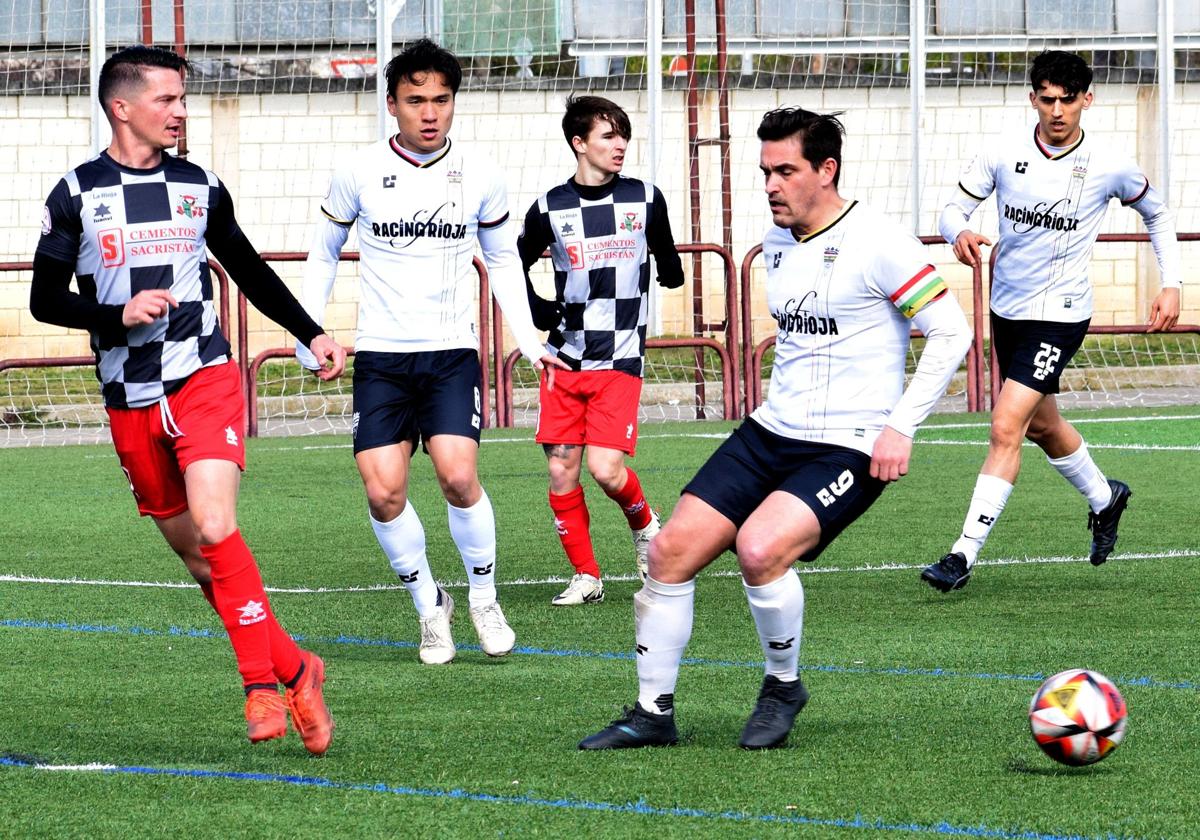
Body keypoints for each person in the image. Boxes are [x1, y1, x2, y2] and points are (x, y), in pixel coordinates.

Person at [578, 107, 972, 750]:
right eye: (765, 171)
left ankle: (782, 684)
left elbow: (953, 333)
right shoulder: (780, 239)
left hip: (851, 443)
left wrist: (901, 426)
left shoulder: (879, 241)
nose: (771, 184)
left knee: (760, 549)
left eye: (785, 170)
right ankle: (653, 713)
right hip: (770, 431)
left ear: (826, 169)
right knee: (668, 551)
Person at [30, 46, 343, 754]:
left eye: (181, 99)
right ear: (122, 106)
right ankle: (298, 668)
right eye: (167, 99)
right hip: (128, 396)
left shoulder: (201, 186)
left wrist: (311, 333)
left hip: (201, 376)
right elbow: (44, 300)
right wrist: (114, 316)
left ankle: (259, 684)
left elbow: (249, 268)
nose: (180, 111)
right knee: (204, 563)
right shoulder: (75, 194)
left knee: (214, 521)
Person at [297, 39, 568, 664]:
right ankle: (430, 608)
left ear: (453, 104)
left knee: (457, 475)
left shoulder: (482, 173)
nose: (429, 112)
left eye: (441, 100)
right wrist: (308, 332)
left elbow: (502, 261)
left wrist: (529, 340)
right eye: (415, 100)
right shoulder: (357, 172)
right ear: (391, 104)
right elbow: (322, 255)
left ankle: (484, 597)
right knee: (384, 493)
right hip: (383, 358)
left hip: (450, 354)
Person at [920, 50, 1182, 594]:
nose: (1057, 111)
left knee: (1005, 425)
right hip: (1008, 309)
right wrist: (958, 234)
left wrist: (1172, 282)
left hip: (1061, 315)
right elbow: (951, 211)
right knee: (1041, 425)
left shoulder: (1110, 164)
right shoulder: (1001, 152)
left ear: (1088, 99)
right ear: (1032, 98)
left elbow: (1157, 213)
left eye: (1068, 100)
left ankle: (961, 555)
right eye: (1047, 99)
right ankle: (1106, 498)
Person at [518, 95, 685, 606]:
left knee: (605, 470)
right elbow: (511, 264)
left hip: (619, 356)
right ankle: (587, 577)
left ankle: (644, 525)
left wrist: (667, 268)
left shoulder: (645, 198)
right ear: (579, 143)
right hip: (562, 357)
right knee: (560, 470)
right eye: (608, 136)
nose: (620, 145)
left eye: (623, 135)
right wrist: (539, 310)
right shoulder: (549, 207)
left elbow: (671, 266)